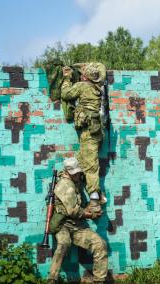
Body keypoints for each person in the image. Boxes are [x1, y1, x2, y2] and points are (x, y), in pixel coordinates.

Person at [47, 157, 108, 284]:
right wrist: (91, 215)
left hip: (77, 226)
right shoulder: (65, 185)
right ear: (67, 172)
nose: (78, 175)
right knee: (64, 244)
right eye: (75, 173)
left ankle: (99, 280)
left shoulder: (76, 180)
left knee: (99, 244)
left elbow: (89, 183)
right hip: (63, 224)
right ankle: (52, 279)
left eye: (78, 172)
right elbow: (73, 211)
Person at [61, 63, 107, 214]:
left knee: (90, 167)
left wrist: (67, 79)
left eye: (82, 74)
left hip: (89, 134)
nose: (80, 75)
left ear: (85, 76)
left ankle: (94, 202)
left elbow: (66, 94)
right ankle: (98, 195)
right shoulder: (97, 88)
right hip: (96, 133)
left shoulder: (82, 86)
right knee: (81, 163)